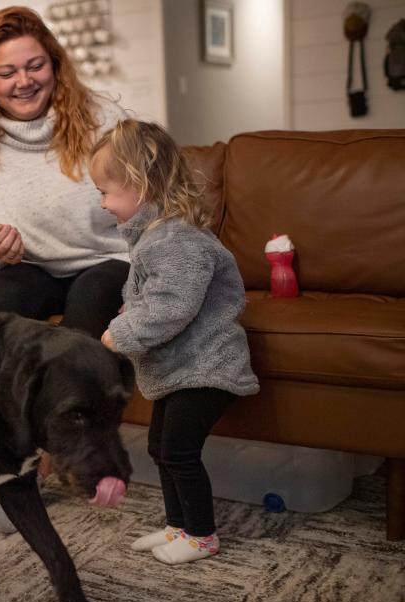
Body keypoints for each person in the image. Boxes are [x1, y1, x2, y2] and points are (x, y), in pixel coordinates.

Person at [0, 6, 130, 533]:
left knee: (88, 305)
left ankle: (75, 457)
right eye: (7, 72)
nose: (24, 81)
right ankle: (10, 461)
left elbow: (149, 200)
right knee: (3, 299)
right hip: (27, 267)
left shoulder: (104, 120)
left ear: (55, 64)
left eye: (35, 66)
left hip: (105, 260)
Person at [89, 119, 259, 565]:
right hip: (180, 367)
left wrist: (120, 333)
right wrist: (132, 313)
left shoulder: (176, 239)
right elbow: (153, 297)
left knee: (180, 451)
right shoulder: (155, 237)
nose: (103, 203)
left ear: (140, 185)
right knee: (159, 448)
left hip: (206, 367)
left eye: (106, 191)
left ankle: (202, 535)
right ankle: (178, 526)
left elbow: (171, 307)